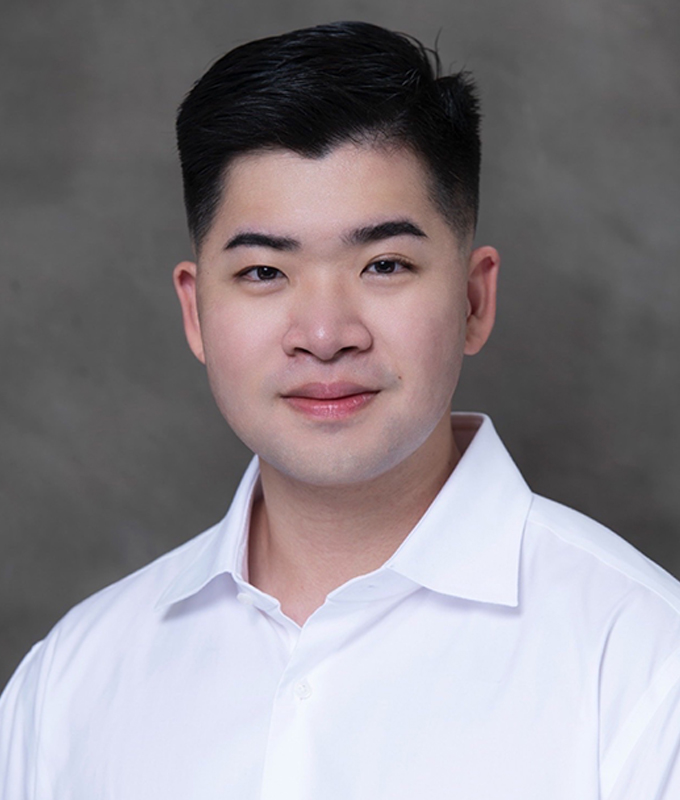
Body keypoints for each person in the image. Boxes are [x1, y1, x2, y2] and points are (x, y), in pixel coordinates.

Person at [1, 20, 679, 799]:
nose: (324, 335)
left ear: (473, 299)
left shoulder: (645, 669)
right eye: (263, 272)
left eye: (384, 264)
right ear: (195, 312)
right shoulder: (70, 687)